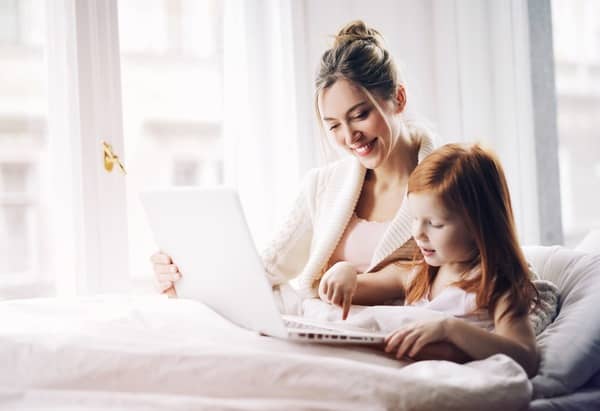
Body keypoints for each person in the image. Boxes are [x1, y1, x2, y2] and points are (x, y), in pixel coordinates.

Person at [151, 19, 435, 317]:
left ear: (398, 99)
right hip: (331, 331)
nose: (350, 137)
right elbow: (265, 271)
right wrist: (187, 278)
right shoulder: (324, 186)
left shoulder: (454, 179)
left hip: (402, 336)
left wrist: (360, 281)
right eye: (335, 125)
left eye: (360, 115)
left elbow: (462, 279)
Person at [382, 143, 540, 377]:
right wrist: (343, 273)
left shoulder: (496, 284)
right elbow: (357, 290)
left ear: (479, 225)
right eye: (415, 218)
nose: (418, 233)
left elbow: (526, 358)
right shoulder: (419, 274)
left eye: (434, 224)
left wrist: (450, 329)